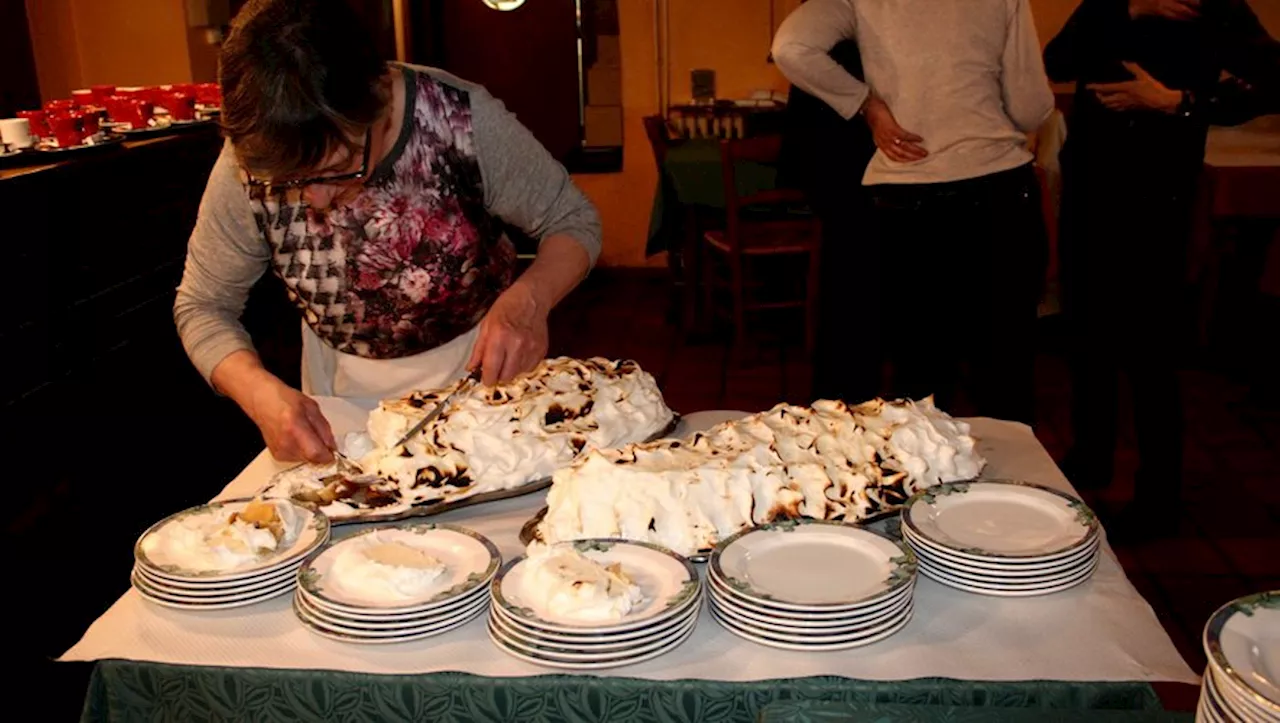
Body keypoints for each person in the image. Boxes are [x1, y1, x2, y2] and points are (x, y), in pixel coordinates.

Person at [174, 0, 601, 464]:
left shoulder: (458, 118)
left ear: (379, 95)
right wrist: (257, 392)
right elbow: (202, 305)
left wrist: (530, 300)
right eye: (290, 185)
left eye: (338, 169)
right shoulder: (252, 156)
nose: (315, 202)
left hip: (487, 391)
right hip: (339, 406)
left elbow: (572, 220)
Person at [1044, 0, 1280, 538]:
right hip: (1091, 190)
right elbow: (1058, 62)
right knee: (1086, 329)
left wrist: (1180, 102)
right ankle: (1090, 456)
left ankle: (1159, 495)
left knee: (1151, 350)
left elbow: (1273, 80)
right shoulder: (1115, 4)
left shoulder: (1214, 9)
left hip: (1160, 197)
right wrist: (1127, 10)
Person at [772, 0, 1054, 425]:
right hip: (998, 190)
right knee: (1005, 372)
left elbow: (791, 46)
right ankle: (1012, 487)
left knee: (920, 377)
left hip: (906, 197)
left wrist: (866, 104)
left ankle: (929, 486)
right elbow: (1030, 107)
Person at [777, 39, 880, 405]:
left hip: (837, 162)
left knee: (847, 292)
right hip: (851, 163)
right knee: (852, 292)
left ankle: (839, 398)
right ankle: (846, 398)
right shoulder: (843, 23)